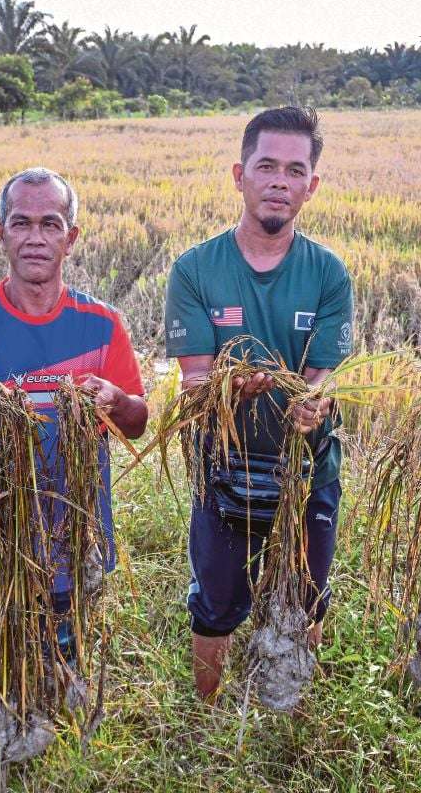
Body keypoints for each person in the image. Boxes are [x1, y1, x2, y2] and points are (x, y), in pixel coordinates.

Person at [0, 167, 149, 759]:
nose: (34, 237)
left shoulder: (101, 323)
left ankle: (44, 754)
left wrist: (115, 399)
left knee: (61, 644)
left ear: (71, 237)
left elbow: (137, 421)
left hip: (71, 531)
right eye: (21, 223)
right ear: (0, 232)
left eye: (50, 223)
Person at [163, 106, 354, 701]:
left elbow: (320, 375)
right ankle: (206, 713)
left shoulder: (328, 274)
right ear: (238, 174)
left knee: (305, 593)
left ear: (311, 186)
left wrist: (311, 404)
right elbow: (196, 380)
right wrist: (225, 384)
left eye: (294, 170)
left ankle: (290, 706)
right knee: (217, 600)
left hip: (306, 469)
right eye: (265, 165)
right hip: (225, 466)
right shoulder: (195, 269)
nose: (279, 180)